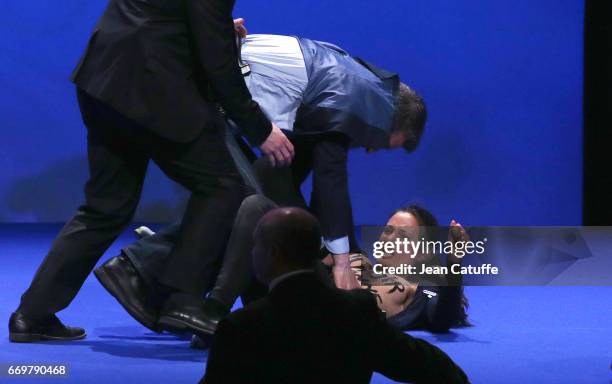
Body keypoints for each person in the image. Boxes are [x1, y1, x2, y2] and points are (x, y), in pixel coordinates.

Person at [92, 31, 428, 334]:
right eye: (385, 143)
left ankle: (161, 287)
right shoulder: (352, 99)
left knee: (258, 197)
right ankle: (146, 276)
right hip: (196, 95)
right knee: (242, 198)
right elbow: (330, 179)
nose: (372, 150)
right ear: (390, 119)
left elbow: (306, 187)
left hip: (209, 95)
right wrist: (341, 260)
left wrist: (329, 247)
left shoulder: (353, 82)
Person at [8, 1, 294, 343]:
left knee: (105, 207)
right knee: (225, 187)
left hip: (104, 79)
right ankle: (181, 299)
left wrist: (212, 27)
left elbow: (165, 15)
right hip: (154, 86)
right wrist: (259, 128)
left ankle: (32, 314)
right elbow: (217, 60)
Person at [201, 207, 469, 384]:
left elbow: (442, 316)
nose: (390, 239)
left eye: (403, 235)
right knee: (254, 206)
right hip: (281, 300)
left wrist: (454, 262)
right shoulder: (355, 258)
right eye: (388, 230)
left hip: (327, 324)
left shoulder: (414, 287)